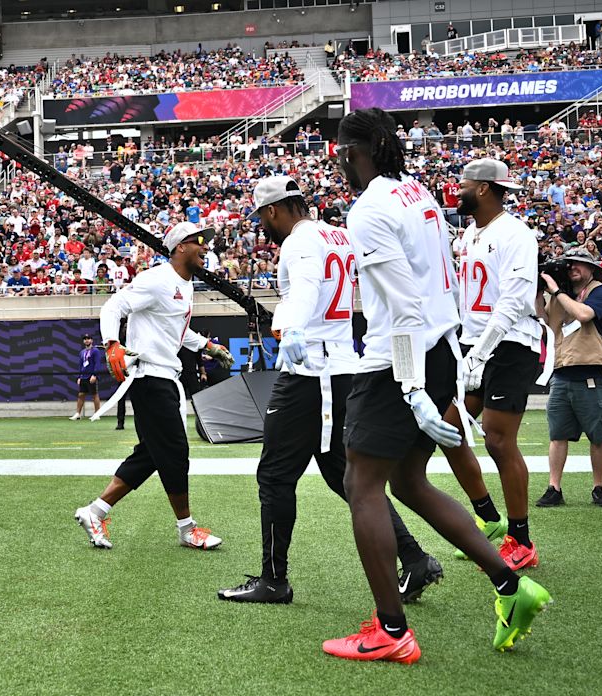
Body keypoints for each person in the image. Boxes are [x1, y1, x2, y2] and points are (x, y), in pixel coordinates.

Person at [322, 108, 550, 663]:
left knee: (362, 484)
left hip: (398, 359)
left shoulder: (370, 207)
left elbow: (402, 308)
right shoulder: (416, 193)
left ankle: (392, 631)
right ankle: (510, 584)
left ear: (359, 151)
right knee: (408, 481)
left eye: (342, 155)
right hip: (439, 349)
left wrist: (408, 386)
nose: (341, 166)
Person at [218, 176, 440, 606]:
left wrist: (292, 326)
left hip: (310, 372)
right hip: (343, 365)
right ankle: (412, 557)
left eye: (264, 217)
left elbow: (305, 285)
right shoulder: (338, 234)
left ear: (273, 211)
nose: (264, 226)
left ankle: (274, 580)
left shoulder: (298, 242)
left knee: (275, 476)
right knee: (348, 476)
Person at [73, 221, 234, 551]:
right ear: (180, 247)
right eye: (198, 241)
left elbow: (177, 331)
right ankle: (187, 529)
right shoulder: (157, 279)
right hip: (150, 377)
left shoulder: (184, 286)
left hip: (163, 377)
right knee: (175, 451)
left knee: (151, 453)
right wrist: (112, 343)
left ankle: (95, 511)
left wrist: (208, 346)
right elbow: (112, 306)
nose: (206, 247)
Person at [441, 159, 547, 572]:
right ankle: (488, 518)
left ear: (483, 188)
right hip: (474, 343)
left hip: (509, 344)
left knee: (499, 440)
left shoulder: (515, 233)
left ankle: (521, 538)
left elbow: (515, 300)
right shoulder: (470, 233)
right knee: (448, 430)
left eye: (463, 184)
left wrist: (481, 351)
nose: (457, 190)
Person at [535, 248, 602, 508]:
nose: (572, 268)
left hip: (592, 372)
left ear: (592, 269)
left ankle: (598, 487)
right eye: (569, 264)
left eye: (579, 265)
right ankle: (554, 487)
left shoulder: (601, 291)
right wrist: (539, 291)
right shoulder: (561, 296)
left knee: (599, 436)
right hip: (562, 371)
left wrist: (556, 292)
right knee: (557, 434)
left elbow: (583, 315)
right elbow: (544, 320)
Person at [69, 334, 103, 420]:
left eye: (88, 339)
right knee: (81, 394)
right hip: (83, 376)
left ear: (91, 340)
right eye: (85, 339)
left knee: (94, 394)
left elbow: (97, 363)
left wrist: (95, 375)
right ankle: (78, 414)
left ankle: (97, 414)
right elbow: (80, 365)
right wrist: (79, 377)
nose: (86, 340)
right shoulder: (82, 352)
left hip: (91, 376)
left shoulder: (95, 351)